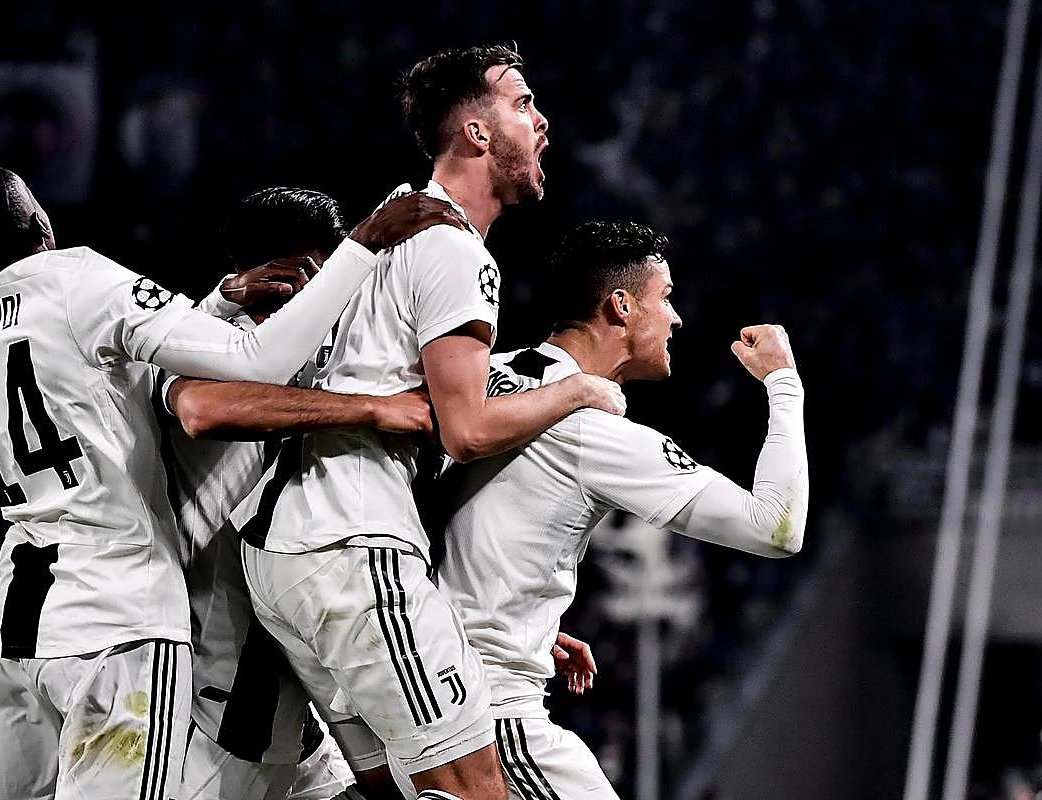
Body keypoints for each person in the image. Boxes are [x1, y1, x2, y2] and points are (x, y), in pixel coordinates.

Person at [0, 162, 463, 800]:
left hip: (28, 613)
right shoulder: (78, 279)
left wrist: (219, 299)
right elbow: (225, 383)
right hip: (128, 618)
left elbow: (119, 372)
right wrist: (364, 246)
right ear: (42, 227)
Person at [232, 44, 625, 800]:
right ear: (476, 132)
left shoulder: (388, 233)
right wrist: (577, 391)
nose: (542, 122)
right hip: (354, 540)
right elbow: (466, 431)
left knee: (398, 788)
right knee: (477, 786)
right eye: (523, 104)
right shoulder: (451, 248)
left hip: (287, 552)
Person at [433, 221, 810, 799]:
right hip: (493, 713)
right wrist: (784, 384)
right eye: (666, 297)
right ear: (621, 306)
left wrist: (516, 619)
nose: (676, 318)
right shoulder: (592, 429)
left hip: (420, 680)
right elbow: (776, 527)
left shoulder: (479, 381)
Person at [163, 187, 426, 800]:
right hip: (227, 682)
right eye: (329, 275)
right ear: (292, 275)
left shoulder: (321, 359)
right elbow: (205, 410)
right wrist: (371, 409)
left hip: (294, 663)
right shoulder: (200, 346)